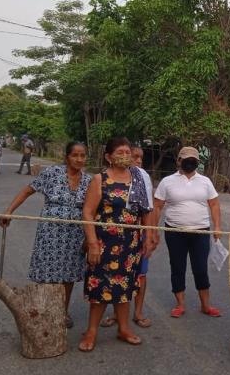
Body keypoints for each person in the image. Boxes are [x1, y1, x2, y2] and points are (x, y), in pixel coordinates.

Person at [0, 142, 92, 328]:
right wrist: (9, 211)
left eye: (82, 155)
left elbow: (92, 209)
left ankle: (62, 313)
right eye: (75, 155)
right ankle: (45, 311)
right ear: (67, 157)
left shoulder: (89, 180)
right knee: (48, 271)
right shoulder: (52, 173)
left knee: (69, 274)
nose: (79, 159)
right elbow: (27, 190)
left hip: (75, 233)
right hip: (51, 231)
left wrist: (90, 237)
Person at [79, 137, 156, 352]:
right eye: (120, 152)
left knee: (125, 286)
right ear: (108, 157)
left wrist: (149, 236)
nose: (125, 155)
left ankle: (124, 328)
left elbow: (146, 210)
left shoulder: (138, 179)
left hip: (130, 243)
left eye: (127, 152)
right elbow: (87, 212)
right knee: (99, 286)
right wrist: (92, 242)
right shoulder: (100, 179)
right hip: (103, 243)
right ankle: (92, 331)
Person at [154, 146, 222, 319]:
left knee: (200, 268)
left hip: (200, 232)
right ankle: (180, 304)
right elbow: (157, 207)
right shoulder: (167, 181)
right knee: (178, 267)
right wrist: (152, 231)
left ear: (198, 163)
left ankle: (206, 305)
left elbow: (214, 204)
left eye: (194, 160)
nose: (190, 163)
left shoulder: (205, 181)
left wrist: (217, 226)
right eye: (186, 160)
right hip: (174, 232)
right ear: (179, 161)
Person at [100, 146, 157, 328]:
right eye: (135, 156)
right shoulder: (106, 176)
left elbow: (149, 207)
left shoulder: (143, 177)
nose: (138, 160)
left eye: (141, 157)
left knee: (140, 273)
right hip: (112, 235)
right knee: (115, 273)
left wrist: (151, 233)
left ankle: (138, 312)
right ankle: (117, 315)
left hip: (136, 233)